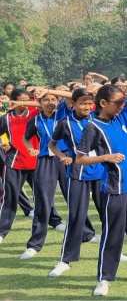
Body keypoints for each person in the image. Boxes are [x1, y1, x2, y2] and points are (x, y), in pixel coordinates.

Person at [75, 84, 127, 297]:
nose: (123, 106)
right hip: (114, 187)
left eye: (124, 102)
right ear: (103, 103)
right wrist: (105, 157)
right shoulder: (93, 127)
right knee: (113, 235)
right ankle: (104, 278)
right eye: (118, 103)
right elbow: (80, 158)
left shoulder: (121, 117)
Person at [48, 89, 107, 277]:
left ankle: (113, 252)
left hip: (100, 172)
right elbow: (52, 145)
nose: (87, 107)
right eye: (83, 103)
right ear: (72, 104)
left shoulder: (99, 120)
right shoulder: (64, 123)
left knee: (108, 215)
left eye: (90, 103)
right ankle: (65, 260)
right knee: (76, 217)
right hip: (77, 173)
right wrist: (62, 156)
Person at [18, 87, 73, 259]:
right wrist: (30, 149)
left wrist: (49, 90)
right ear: (39, 104)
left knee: (74, 197)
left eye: (53, 99)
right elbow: (26, 138)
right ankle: (34, 245)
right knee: (42, 201)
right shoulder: (35, 120)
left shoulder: (62, 113)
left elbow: (72, 96)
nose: (50, 102)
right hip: (44, 162)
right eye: (46, 100)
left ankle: (86, 233)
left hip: (65, 159)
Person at [0, 89, 56, 244]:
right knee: (10, 198)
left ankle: (55, 220)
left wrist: (24, 102)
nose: (24, 102)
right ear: (13, 101)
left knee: (43, 195)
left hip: (36, 161)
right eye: (21, 100)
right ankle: (2, 231)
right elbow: (1, 133)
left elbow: (40, 103)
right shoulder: (6, 118)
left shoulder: (34, 113)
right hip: (15, 162)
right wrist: (5, 143)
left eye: (27, 99)